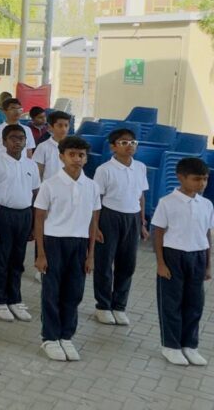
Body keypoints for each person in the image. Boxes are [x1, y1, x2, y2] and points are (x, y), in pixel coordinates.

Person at [33, 136, 101, 362]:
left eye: (81, 155)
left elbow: (94, 222)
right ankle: (50, 337)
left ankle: (66, 336)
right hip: (54, 242)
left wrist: (90, 255)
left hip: (79, 243)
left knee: (74, 292)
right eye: (72, 154)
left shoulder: (91, 186)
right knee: (52, 292)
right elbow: (40, 219)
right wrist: (41, 253)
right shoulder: (50, 185)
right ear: (61, 156)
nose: (77, 159)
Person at [152, 157, 212, 367]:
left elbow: (207, 234)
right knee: (171, 302)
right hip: (173, 256)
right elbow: (158, 233)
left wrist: (208, 263)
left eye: (205, 179)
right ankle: (171, 345)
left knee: (195, 303)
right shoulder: (167, 202)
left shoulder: (206, 204)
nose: (202, 184)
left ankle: (190, 345)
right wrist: (160, 262)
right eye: (197, 179)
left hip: (197, 256)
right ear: (181, 177)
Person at [92, 128, 149, 326]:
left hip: (132, 218)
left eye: (132, 142)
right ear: (113, 146)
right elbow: (96, 199)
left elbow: (141, 195)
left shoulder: (140, 167)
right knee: (105, 263)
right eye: (124, 143)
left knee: (127, 264)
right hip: (109, 217)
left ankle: (119, 305)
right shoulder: (104, 170)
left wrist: (142, 222)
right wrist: (96, 226)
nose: (129, 146)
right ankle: (103, 305)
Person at [0, 124, 40, 323]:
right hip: (2, 215)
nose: (18, 142)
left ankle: (14, 299)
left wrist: (33, 225)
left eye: (21, 138)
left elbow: (35, 196)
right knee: (1, 260)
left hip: (24, 215)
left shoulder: (31, 165)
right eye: (13, 138)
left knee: (17, 261)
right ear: (4, 142)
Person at [33, 111, 71, 182]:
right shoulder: (43, 147)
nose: (64, 129)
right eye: (60, 125)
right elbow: (38, 173)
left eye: (66, 125)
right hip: (48, 190)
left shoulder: (73, 147)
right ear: (50, 127)